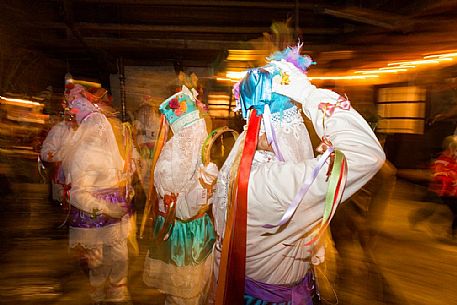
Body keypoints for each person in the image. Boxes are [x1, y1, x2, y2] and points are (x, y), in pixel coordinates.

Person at [212, 45, 385, 304]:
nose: (301, 134)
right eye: (297, 123)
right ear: (276, 129)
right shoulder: (274, 182)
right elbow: (368, 154)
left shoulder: (241, 164)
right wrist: (308, 94)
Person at [143, 85, 218, 305]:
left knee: (191, 292)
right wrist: (204, 186)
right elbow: (180, 207)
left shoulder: (181, 150)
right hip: (181, 232)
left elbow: (189, 205)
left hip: (192, 230)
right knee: (182, 294)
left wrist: (206, 187)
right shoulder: (175, 157)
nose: (200, 131)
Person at [61, 83, 135, 304]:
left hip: (116, 213)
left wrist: (125, 185)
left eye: (102, 127)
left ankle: (118, 293)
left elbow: (118, 173)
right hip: (94, 216)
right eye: (97, 127)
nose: (103, 132)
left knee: (121, 256)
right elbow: (77, 194)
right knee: (98, 263)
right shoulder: (83, 155)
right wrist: (105, 207)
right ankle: (99, 296)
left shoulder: (107, 150)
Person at [428, 135, 457, 240]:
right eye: (455, 148)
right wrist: (452, 178)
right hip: (446, 193)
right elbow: (440, 176)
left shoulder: (452, 160)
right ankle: (451, 233)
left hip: (451, 192)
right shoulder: (442, 160)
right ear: (450, 147)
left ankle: (452, 232)